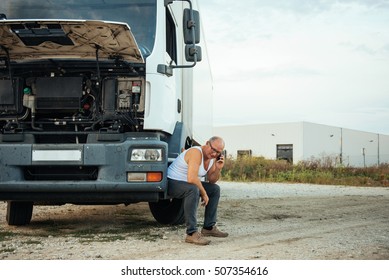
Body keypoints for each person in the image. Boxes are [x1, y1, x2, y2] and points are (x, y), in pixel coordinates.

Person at [167, 136, 228, 245]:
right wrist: (204, 193)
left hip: (186, 184)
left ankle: (208, 227)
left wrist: (218, 168)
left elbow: (212, 180)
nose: (214, 154)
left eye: (218, 152)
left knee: (214, 189)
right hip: (171, 182)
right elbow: (192, 178)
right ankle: (191, 234)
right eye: (213, 150)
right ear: (207, 143)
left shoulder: (212, 158)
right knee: (193, 189)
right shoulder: (196, 152)